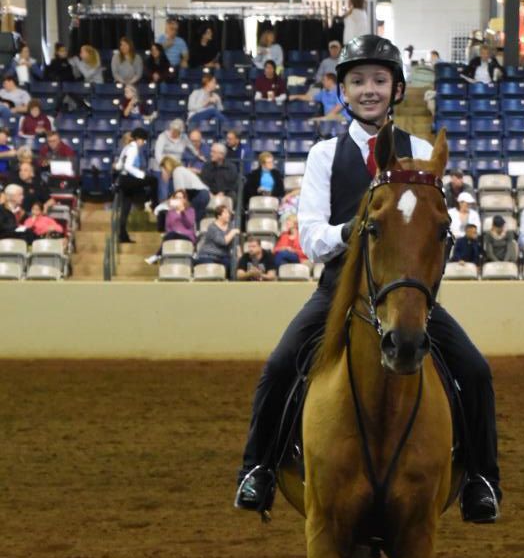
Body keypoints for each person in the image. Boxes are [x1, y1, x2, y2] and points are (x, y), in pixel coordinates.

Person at [234, 34, 501, 524]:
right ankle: (260, 468)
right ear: (343, 91)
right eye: (358, 81)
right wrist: (358, 229)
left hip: (406, 293)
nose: (369, 90)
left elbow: (435, 220)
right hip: (340, 292)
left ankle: (482, 479)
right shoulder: (322, 157)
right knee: (279, 366)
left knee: (476, 371)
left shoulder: (420, 149)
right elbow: (312, 237)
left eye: (379, 80)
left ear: (397, 89)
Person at [115, 127, 155, 243]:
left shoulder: (126, 148)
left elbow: (118, 166)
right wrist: (141, 175)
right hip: (128, 179)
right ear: (138, 139)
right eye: (143, 140)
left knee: (125, 209)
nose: (143, 143)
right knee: (153, 181)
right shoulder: (133, 149)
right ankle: (151, 203)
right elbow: (127, 166)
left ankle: (123, 235)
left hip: (124, 179)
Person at [145, 189, 196, 265]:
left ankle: (157, 255)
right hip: (172, 235)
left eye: (181, 197)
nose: (179, 199)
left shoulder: (190, 210)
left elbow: (189, 224)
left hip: (187, 236)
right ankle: (158, 256)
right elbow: (168, 227)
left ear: (185, 199)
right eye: (177, 197)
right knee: (170, 234)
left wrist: (183, 212)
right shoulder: (170, 212)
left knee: (171, 235)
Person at [194, 203, 239, 275]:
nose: (228, 215)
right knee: (212, 270)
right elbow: (223, 241)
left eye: (228, 213)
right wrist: (233, 232)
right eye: (226, 213)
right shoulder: (212, 227)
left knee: (233, 266)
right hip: (208, 256)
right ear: (219, 216)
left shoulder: (230, 226)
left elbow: (235, 243)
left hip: (223, 257)